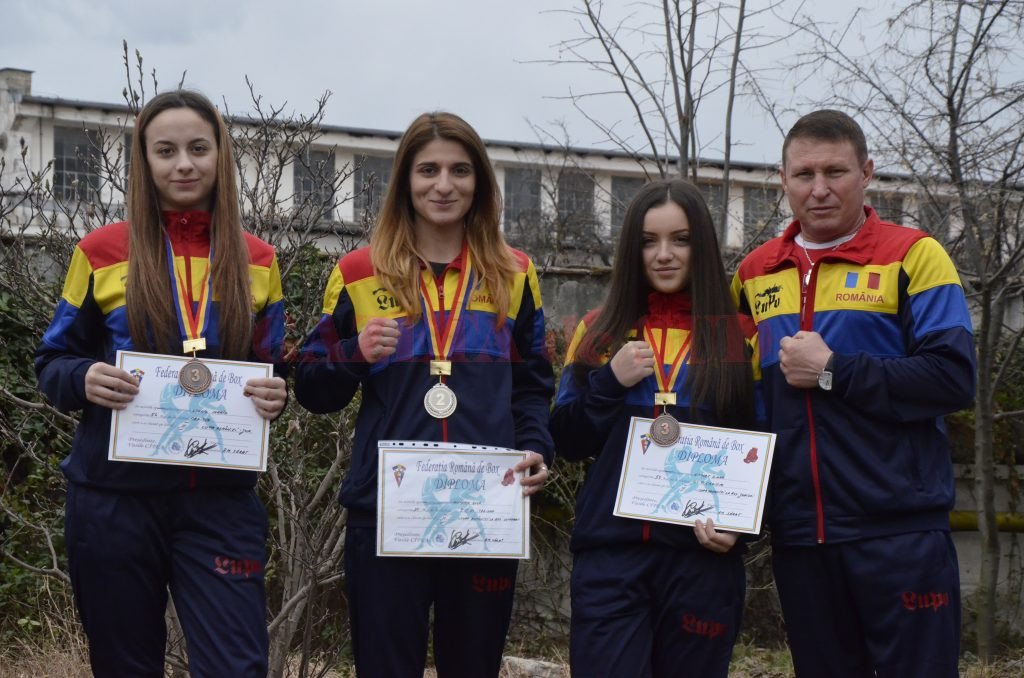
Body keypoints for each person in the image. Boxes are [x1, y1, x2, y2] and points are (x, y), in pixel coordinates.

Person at [35, 90, 288, 677]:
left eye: (199, 148)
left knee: (236, 667)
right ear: (143, 161)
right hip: (113, 499)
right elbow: (52, 361)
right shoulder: (100, 252)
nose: (184, 164)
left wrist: (277, 393)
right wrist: (84, 376)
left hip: (220, 502)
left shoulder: (258, 260)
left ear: (220, 157)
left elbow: (273, 370)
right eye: (166, 150)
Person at [293, 111, 553, 678]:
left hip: (486, 508)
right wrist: (355, 353)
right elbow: (312, 387)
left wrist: (536, 447)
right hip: (387, 511)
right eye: (428, 169)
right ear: (405, 182)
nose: (444, 185)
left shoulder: (514, 275)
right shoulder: (359, 272)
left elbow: (533, 387)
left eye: (460, 170)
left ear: (480, 181)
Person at [731, 109, 976, 677]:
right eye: (803, 174)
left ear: (866, 173)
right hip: (800, 538)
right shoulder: (753, 273)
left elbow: (951, 378)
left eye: (835, 171)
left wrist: (833, 369)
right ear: (782, 180)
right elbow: (742, 404)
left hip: (900, 533)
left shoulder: (915, 255)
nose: (819, 189)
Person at [550, 179, 758, 677]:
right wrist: (608, 383)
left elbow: (765, 445)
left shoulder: (741, 337)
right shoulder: (598, 331)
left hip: (702, 562)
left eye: (680, 239)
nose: (664, 255)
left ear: (702, 246)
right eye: (648, 241)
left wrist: (743, 527)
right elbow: (566, 438)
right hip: (612, 560)